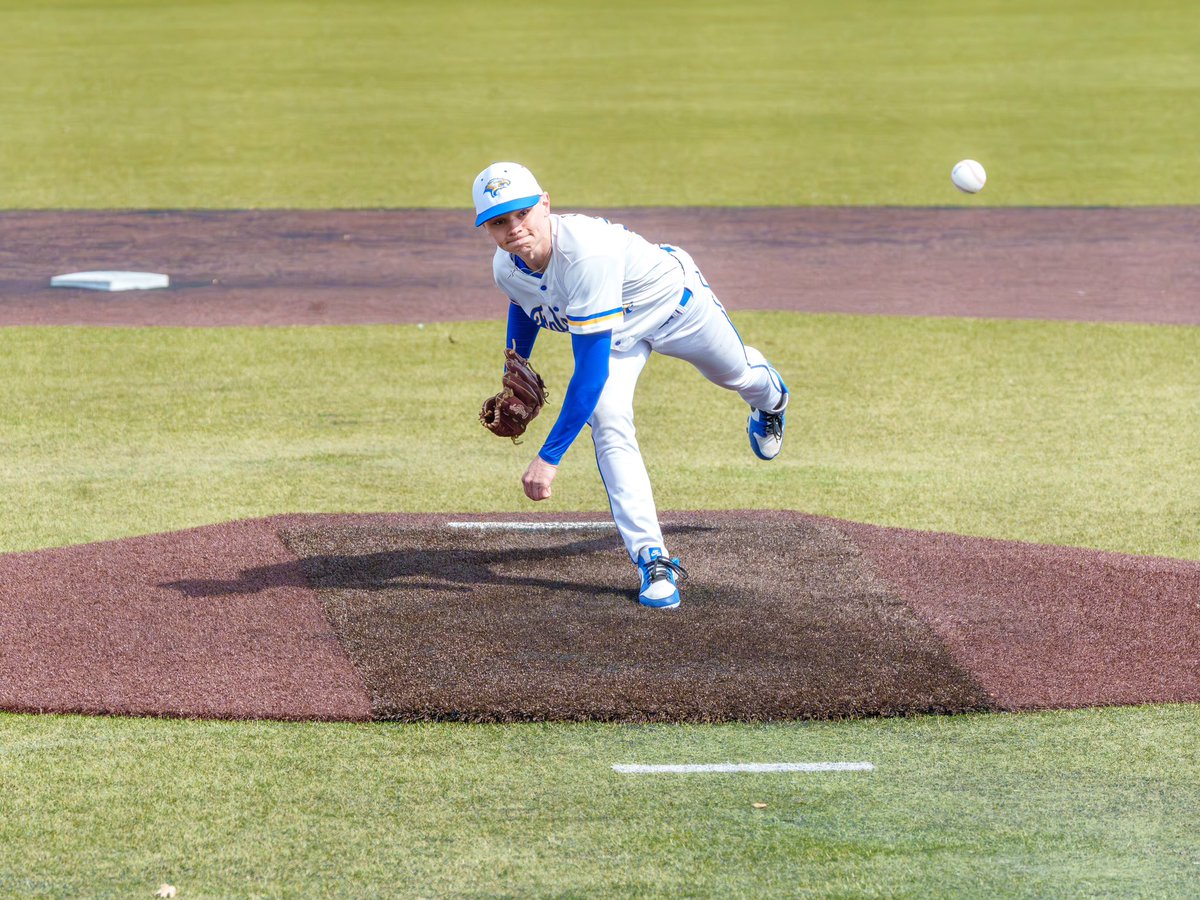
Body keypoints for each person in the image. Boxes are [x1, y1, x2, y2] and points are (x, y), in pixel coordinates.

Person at [472, 162, 788, 610]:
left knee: (736, 375)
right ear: (487, 229)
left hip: (677, 309)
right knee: (608, 419)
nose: (514, 229)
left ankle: (772, 399)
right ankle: (652, 558)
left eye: (522, 213)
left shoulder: (585, 255)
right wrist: (515, 366)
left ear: (545, 204)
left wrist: (549, 457)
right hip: (616, 337)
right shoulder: (506, 266)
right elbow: (524, 303)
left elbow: (590, 375)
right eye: (499, 222)